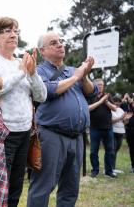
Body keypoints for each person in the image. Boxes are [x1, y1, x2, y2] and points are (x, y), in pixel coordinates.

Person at [0, 17, 47, 207]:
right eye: (8, 31)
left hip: (24, 132)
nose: (13, 34)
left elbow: (41, 96)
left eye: (16, 31)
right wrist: (21, 72)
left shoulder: (22, 62)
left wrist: (32, 73)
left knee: (16, 188)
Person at [27, 32, 98, 207]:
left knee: (70, 188)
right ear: (42, 51)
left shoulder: (73, 70)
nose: (60, 45)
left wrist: (85, 75)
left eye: (61, 41)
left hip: (77, 137)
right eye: (54, 43)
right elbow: (48, 91)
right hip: (51, 135)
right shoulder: (39, 71)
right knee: (43, 186)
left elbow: (92, 93)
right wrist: (76, 77)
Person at [89, 78, 117, 178]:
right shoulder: (91, 96)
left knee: (110, 151)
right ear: (95, 85)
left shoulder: (107, 96)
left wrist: (106, 102)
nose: (101, 86)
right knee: (93, 151)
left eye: (102, 85)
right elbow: (88, 108)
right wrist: (100, 101)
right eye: (99, 85)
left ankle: (109, 171)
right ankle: (95, 170)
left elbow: (115, 108)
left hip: (108, 128)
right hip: (94, 128)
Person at [111, 96, 128, 174]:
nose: (117, 103)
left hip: (121, 132)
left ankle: (113, 168)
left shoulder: (121, 110)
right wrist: (121, 117)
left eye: (119, 102)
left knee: (116, 151)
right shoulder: (110, 110)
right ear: (112, 102)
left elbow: (124, 123)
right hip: (113, 132)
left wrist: (126, 119)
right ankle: (110, 168)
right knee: (112, 150)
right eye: (116, 102)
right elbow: (112, 121)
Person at [123, 94, 134, 173]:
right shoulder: (128, 106)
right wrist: (125, 120)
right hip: (129, 130)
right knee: (132, 149)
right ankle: (133, 166)